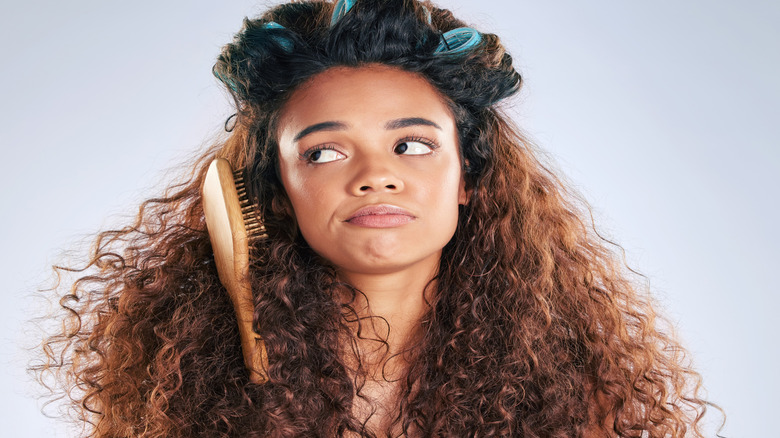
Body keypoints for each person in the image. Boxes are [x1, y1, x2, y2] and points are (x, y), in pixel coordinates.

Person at [33, 0, 719, 436]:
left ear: (470, 181)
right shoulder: (185, 393)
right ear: (276, 191)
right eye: (326, 151)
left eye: (412, 144)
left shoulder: (570, 391)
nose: (375, 174)